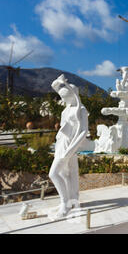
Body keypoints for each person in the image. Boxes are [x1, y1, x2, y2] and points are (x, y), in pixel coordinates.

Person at [49, 74, 89, 218]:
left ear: (73, 96)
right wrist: (60, 82)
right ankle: (70, 201)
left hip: (69, 145)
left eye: (65, 98)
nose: (63, 100)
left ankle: (65, 203)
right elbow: (54, 86)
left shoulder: (81, 109)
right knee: (66, 174)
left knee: (53, 173)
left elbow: (84, 131)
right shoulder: (66, 109)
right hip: (61, 142)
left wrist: (72, 149)